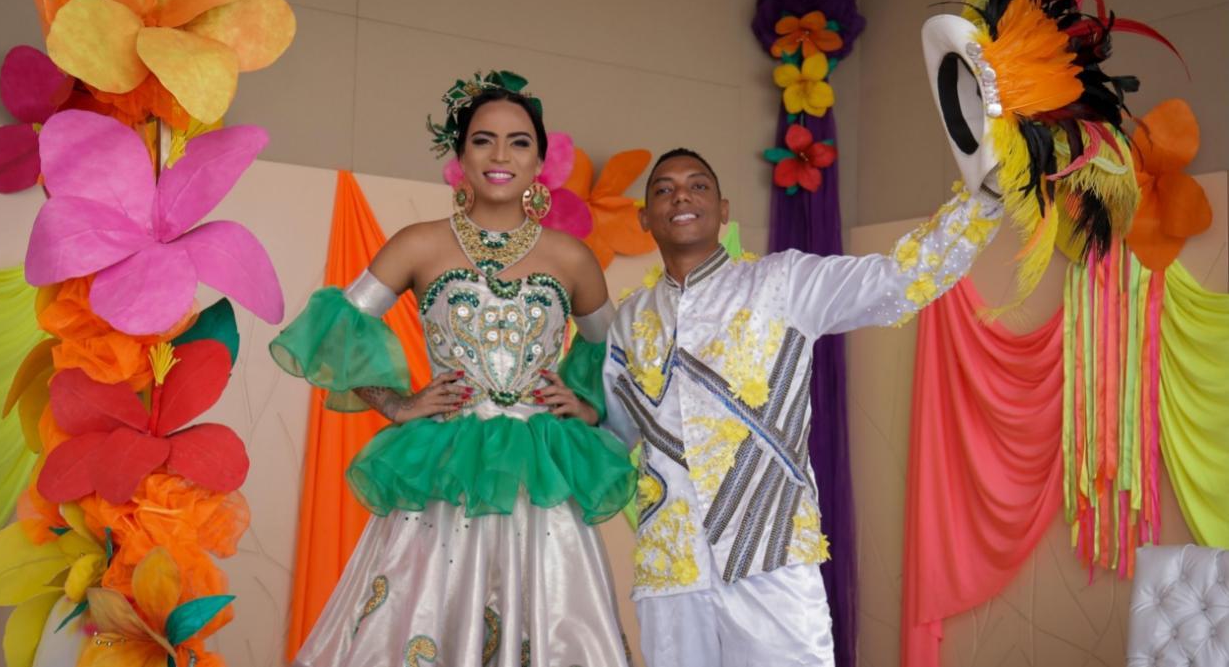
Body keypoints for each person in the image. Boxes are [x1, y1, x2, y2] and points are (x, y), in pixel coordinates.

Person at [271, 71, 636, 667]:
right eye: (483, 139)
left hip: (539, 476)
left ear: (540, 158)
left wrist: (590, 408)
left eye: (519, 141)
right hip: (445, 473)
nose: (501, 155)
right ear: (459, 154)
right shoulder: (419, 244)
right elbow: (333, 329)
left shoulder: (573, 257)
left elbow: (617, 358)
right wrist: (396, 404)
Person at [601, 148, 1003, 666]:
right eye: (663, 189)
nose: (681, 195)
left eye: (697, 185)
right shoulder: (631, 320)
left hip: (769, 555)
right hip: (670, 570)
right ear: (644, 218)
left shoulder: (781, 282)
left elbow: (897, 280)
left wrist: (984, 200)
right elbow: (612, 431)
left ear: (723, 210)